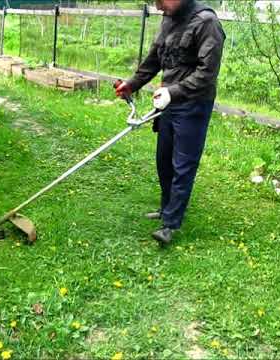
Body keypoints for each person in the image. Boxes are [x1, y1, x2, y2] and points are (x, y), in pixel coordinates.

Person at [116, 0, 226, 245]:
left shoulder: (207, 23)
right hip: (167, 102)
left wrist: (173, 92)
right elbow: (155, 58)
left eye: (160, 1)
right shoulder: (169, 17)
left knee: (183, 164)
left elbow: (207, 74)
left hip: (194, 103)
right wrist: (132, 84)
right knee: (164, 159)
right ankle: (167, 208)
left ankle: (171, 224)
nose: (157, 7)